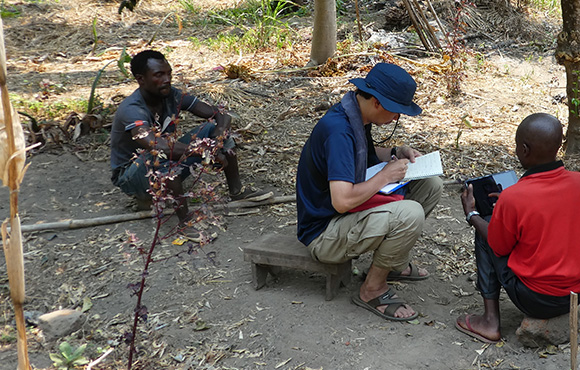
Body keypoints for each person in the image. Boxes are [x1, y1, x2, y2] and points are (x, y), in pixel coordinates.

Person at [296, 62, 442, 322]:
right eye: (396, 111)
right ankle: (372, 289)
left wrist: (398, 152)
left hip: (343, 216)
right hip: (325, 232)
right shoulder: (339, 131)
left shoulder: (356, 116)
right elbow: (341, 201)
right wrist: (385, 175)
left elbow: (364, 160)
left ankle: (394, 263)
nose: (397, 118)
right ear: (377, 102)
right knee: (410, 213)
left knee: (431, 185)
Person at [455, 113, 580, 343]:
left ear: (524, 149)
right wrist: (511, 207)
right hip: (575, 293)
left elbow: (497, 246)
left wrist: (472, 214)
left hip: (538, 299)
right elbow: (557, 216)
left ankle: (490, 321)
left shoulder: (515, 197)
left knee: (485, 230)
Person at [110, 50, 272, 241]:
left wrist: (218, 137)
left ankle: (237, 192)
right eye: (158, 75)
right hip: (132, 175)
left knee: (213, 129)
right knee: (161, 157)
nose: (167, 79)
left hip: (161, 161)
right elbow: (157, 146)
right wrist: (206, 152)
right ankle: (184, 223)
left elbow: (220, 114)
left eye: (168, 73)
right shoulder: (133, 109)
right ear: (141, 79)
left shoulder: (172, 95)